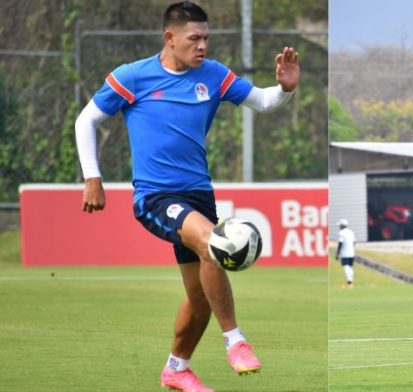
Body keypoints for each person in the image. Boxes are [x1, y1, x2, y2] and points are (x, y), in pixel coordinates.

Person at [74, 2, 300, 391]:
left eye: (206, 39)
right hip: (156, 196)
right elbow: (86, 120)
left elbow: (262, 102)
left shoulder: (213, 75)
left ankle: (176, 369)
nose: (202, 46)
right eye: (194, 38)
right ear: (170, 38)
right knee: (214, 242)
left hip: (199, 194)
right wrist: (93, 177)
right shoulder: (133, 76)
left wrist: (284, 88)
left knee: (199, 300)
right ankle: (236, 341)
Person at [335, 219, 356, 288]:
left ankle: (349, 282)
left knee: (346, 267)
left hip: (345, 253)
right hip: (352, 252)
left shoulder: (341, 233)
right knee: (349, 267)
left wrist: (337, 254)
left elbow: (340, 243)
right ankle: (351, 281)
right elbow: (354, 243)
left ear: (342, 225)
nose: (339, 227)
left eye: (340, 226)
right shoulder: (351, 232)